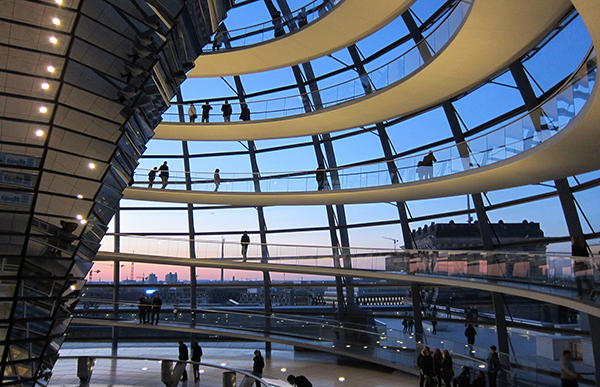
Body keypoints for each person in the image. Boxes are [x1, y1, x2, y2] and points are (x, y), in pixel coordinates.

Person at [571, 235, 596, 299]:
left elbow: (574, 256)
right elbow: (586, 255)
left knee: (578, 279)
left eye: (572, 240)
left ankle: (580, 293)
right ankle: (591, 289)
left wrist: (575, 261)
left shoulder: (574, 247)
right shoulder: (582, 246)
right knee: (584, 278)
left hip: (578, 264)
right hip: (584, 264)